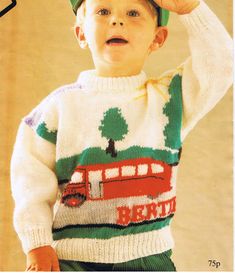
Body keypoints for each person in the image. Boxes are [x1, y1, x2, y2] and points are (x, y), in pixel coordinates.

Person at [11, 0, 232, 271]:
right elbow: (29, 183)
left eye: (133, 13)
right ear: (81, 32)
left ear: (157, 38)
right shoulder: (56, 110)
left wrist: (190, 8)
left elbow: (221, 66)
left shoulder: (170, 99)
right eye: (103, 11)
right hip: (72, 261)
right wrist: (37, 243)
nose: (117, 21)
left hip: (150, 259)